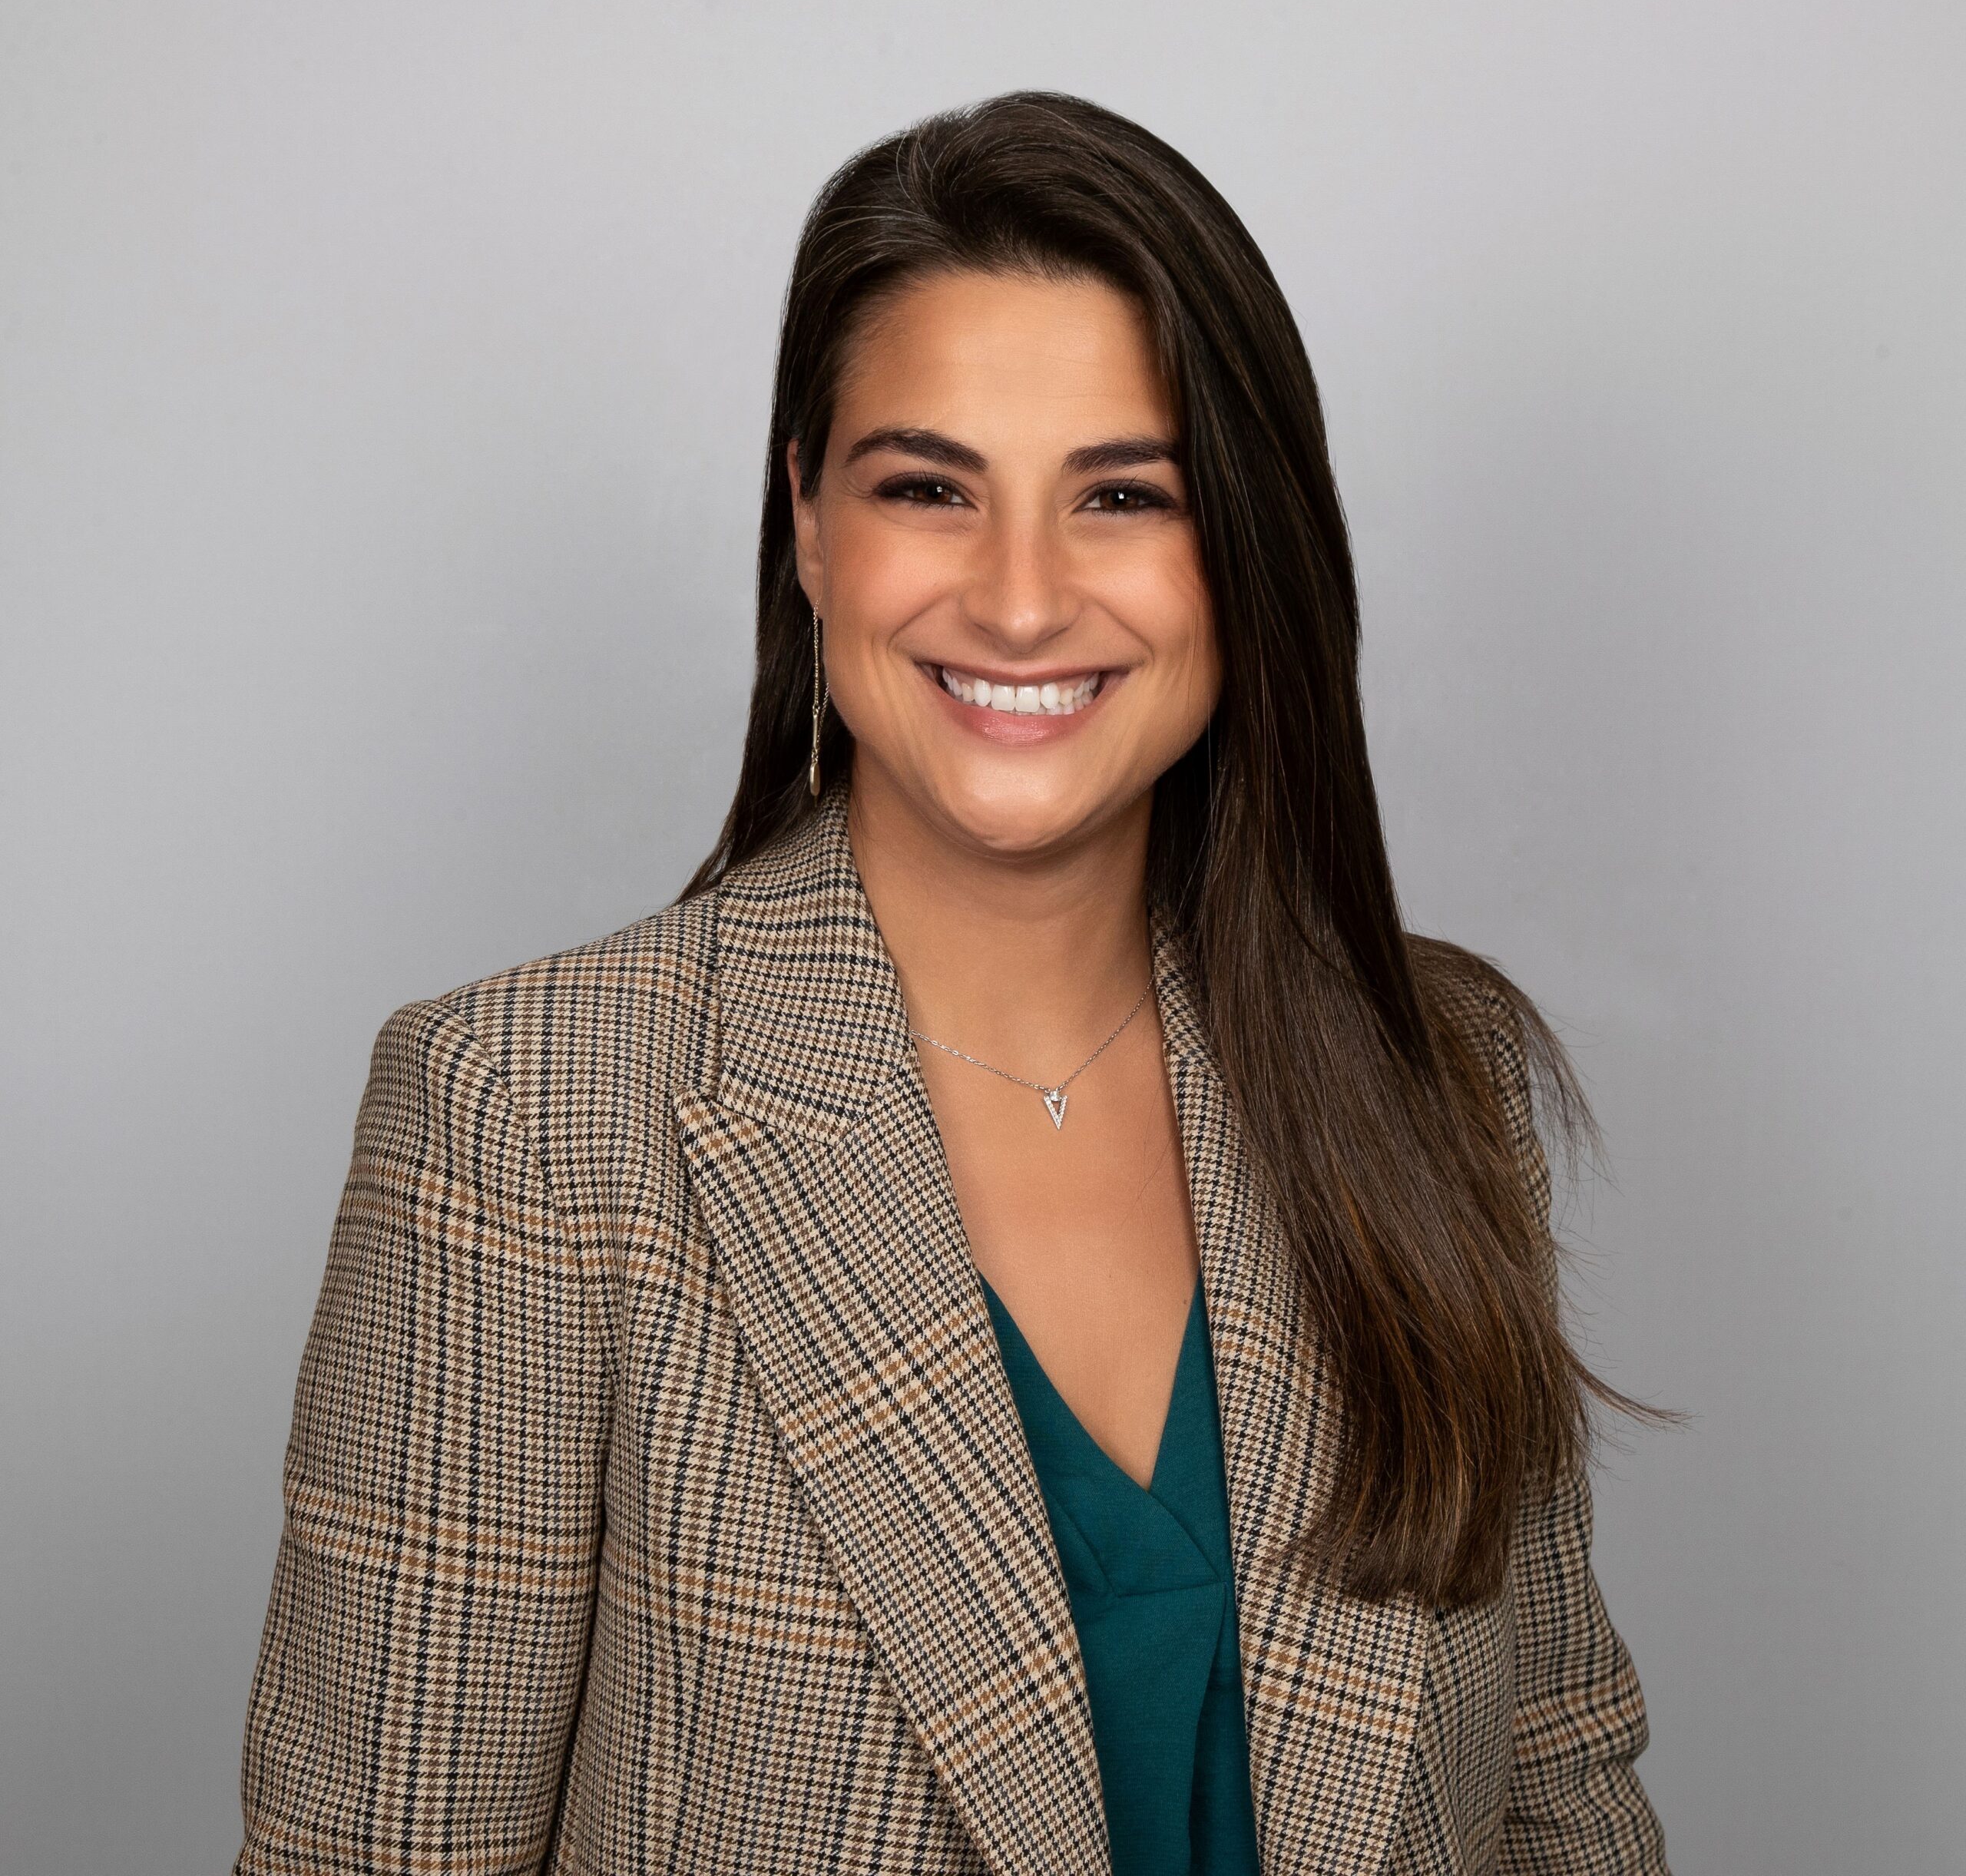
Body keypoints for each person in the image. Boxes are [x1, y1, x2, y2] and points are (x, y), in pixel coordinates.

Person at [235, 91, 1667, 1876]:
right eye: (926, 486)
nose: (1014, 598)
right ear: (812, 529)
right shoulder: (529, 1114)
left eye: (1121, 495)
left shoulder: (1419, 1067)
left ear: (1244, 550)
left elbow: (1558, 1795)